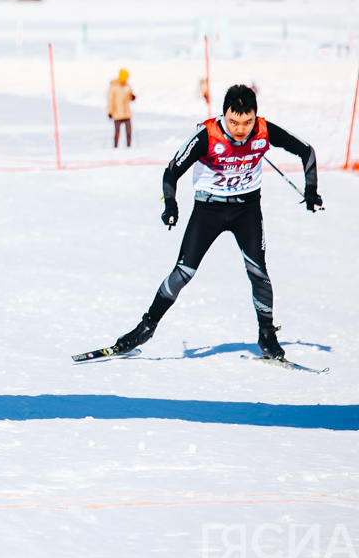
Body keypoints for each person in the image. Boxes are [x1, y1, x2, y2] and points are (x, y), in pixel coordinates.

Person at [108, 84, 322, 361]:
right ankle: (145, 328)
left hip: (246, 211)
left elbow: (307, 151)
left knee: (258, 273)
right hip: (208, 211)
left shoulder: (264, 131)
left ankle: (267, 337)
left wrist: (311, 190)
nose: (240, 129)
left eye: (247, 122)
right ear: (224, 116)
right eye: (233, 122)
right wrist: (171, 204)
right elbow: (172, 171)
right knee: (183, 273)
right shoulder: (207, 135)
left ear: (255, 117)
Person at [107, 68, 135, 148]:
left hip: (126, 112)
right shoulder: (114, 86)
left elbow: (129, 96)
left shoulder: (127, 85)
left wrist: (132, 97)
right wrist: (110, 111)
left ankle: (129, 146)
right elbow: (110, 100)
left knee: (129, 131)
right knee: (117, 132)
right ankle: (115, 147)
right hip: (117, 113)